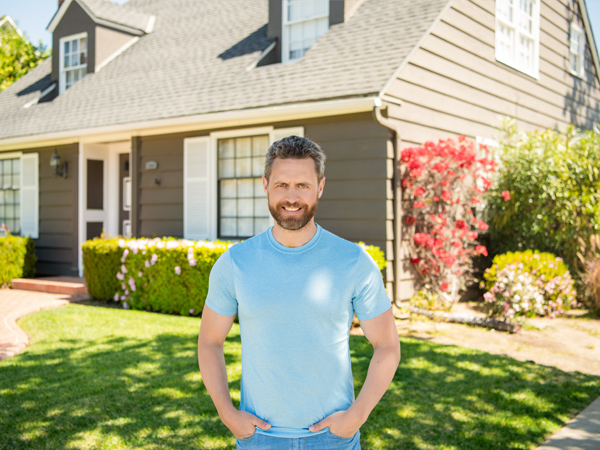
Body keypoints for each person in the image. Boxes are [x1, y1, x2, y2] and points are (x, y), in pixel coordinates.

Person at [198, 136, 401, 450]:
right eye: (281, 185)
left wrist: (355, 417)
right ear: (265, 185)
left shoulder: (354, 262)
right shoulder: (235, 263)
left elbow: (387, 346)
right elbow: (210, 341)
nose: (291, 197)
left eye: (302, 186)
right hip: (258, 440)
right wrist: (227, 414)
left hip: (334, 440)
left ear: (320, 187)